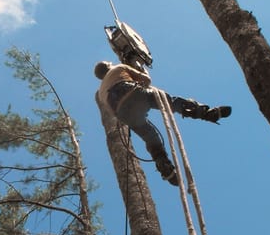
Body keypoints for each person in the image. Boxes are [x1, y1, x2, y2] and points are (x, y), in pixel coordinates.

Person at [94, 60, 231, 185]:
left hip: (123, 113)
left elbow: (113, 113)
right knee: (170, 102)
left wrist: (133, 114)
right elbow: (146, 80)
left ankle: (164, 166)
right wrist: (142, 71)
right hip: (134, 93)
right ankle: (207, 113)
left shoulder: (101, 94)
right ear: (108, 66)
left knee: (150, 137)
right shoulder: (118, 68)